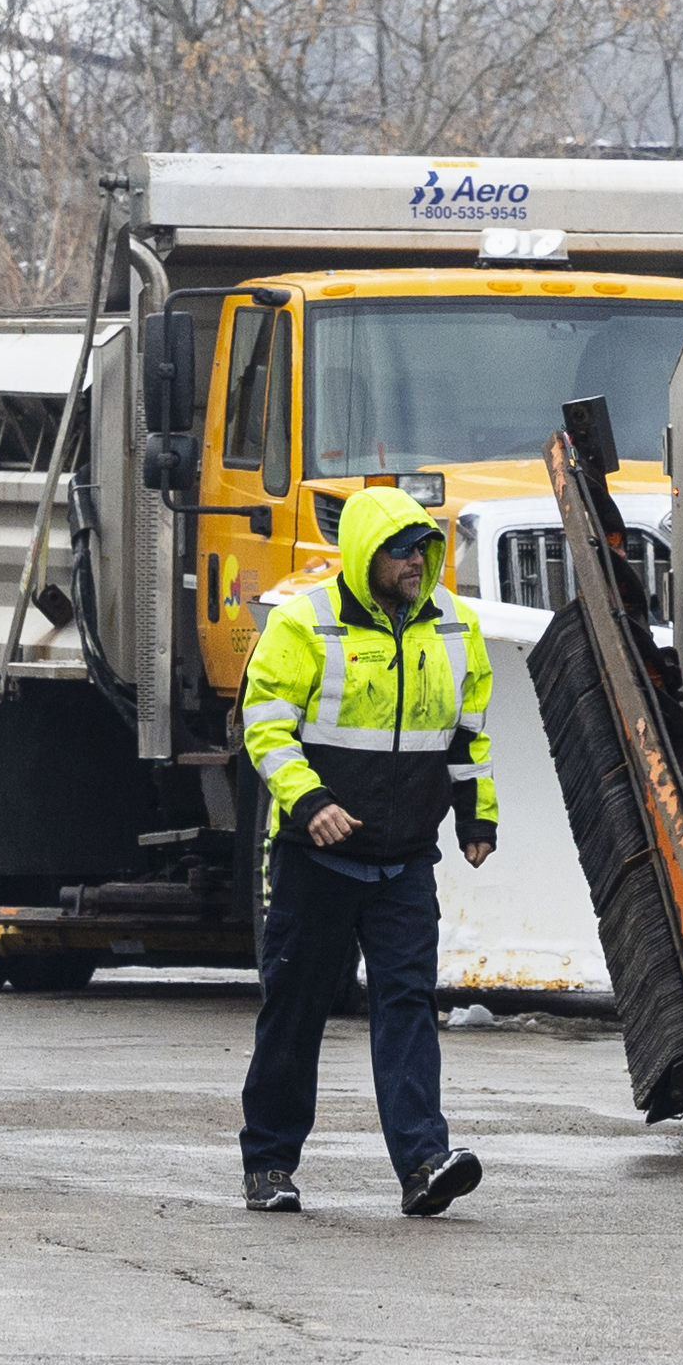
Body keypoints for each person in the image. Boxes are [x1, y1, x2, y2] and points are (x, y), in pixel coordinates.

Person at [236, 483, 494, 1219]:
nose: (418, 560)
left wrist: (478, 819)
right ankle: (268, 1165)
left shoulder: (454, 627)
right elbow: (265, 726)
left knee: (408, 1004)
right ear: (362, 555)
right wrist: (310, 803)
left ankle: (423, 1163)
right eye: (402, 549)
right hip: (316, 859)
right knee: (296, 1009)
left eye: (424, 548)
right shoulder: (301, 624)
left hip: (405, 860)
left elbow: (468, 738)